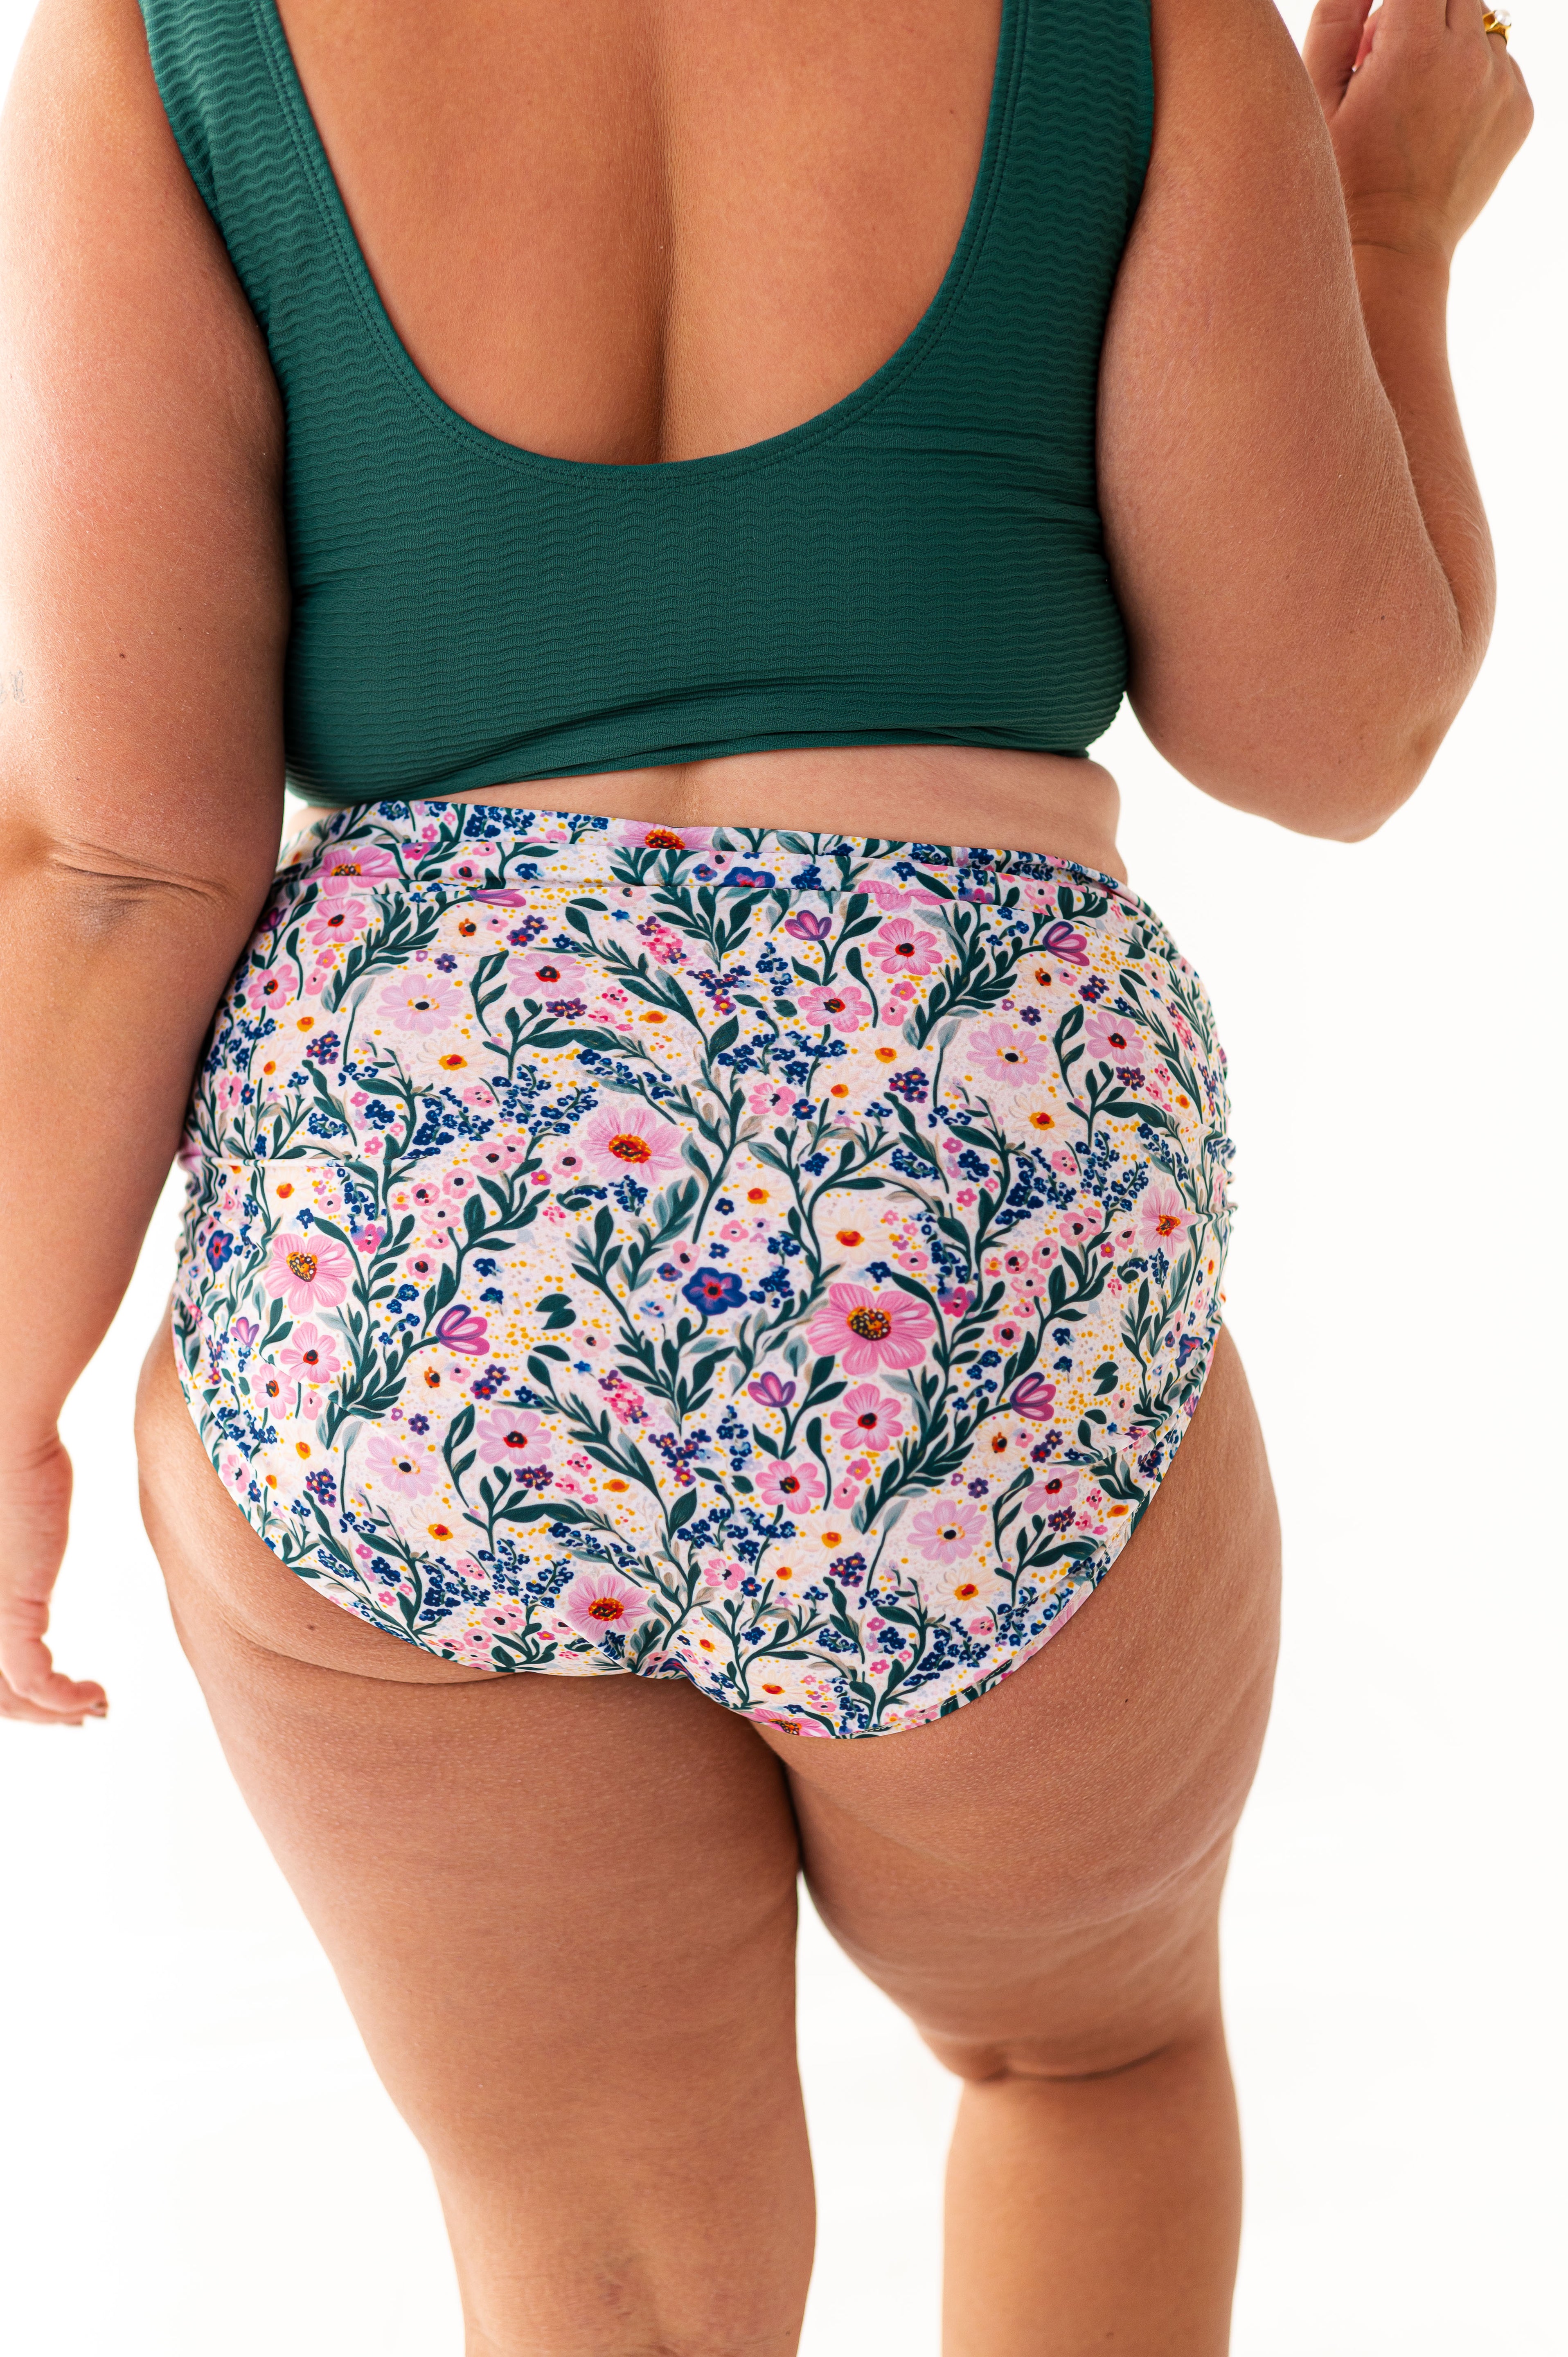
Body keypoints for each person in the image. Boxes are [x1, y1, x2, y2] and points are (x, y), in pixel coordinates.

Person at [0, 0, 1530, 2348]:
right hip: (958, 1239)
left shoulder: (157, 38)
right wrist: (1389, 228)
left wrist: (12, 1386)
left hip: (419, 1252)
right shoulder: (1139, 28)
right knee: (1082, 2063)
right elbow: (1332, 734)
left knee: (608, 2269)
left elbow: (115, 864)